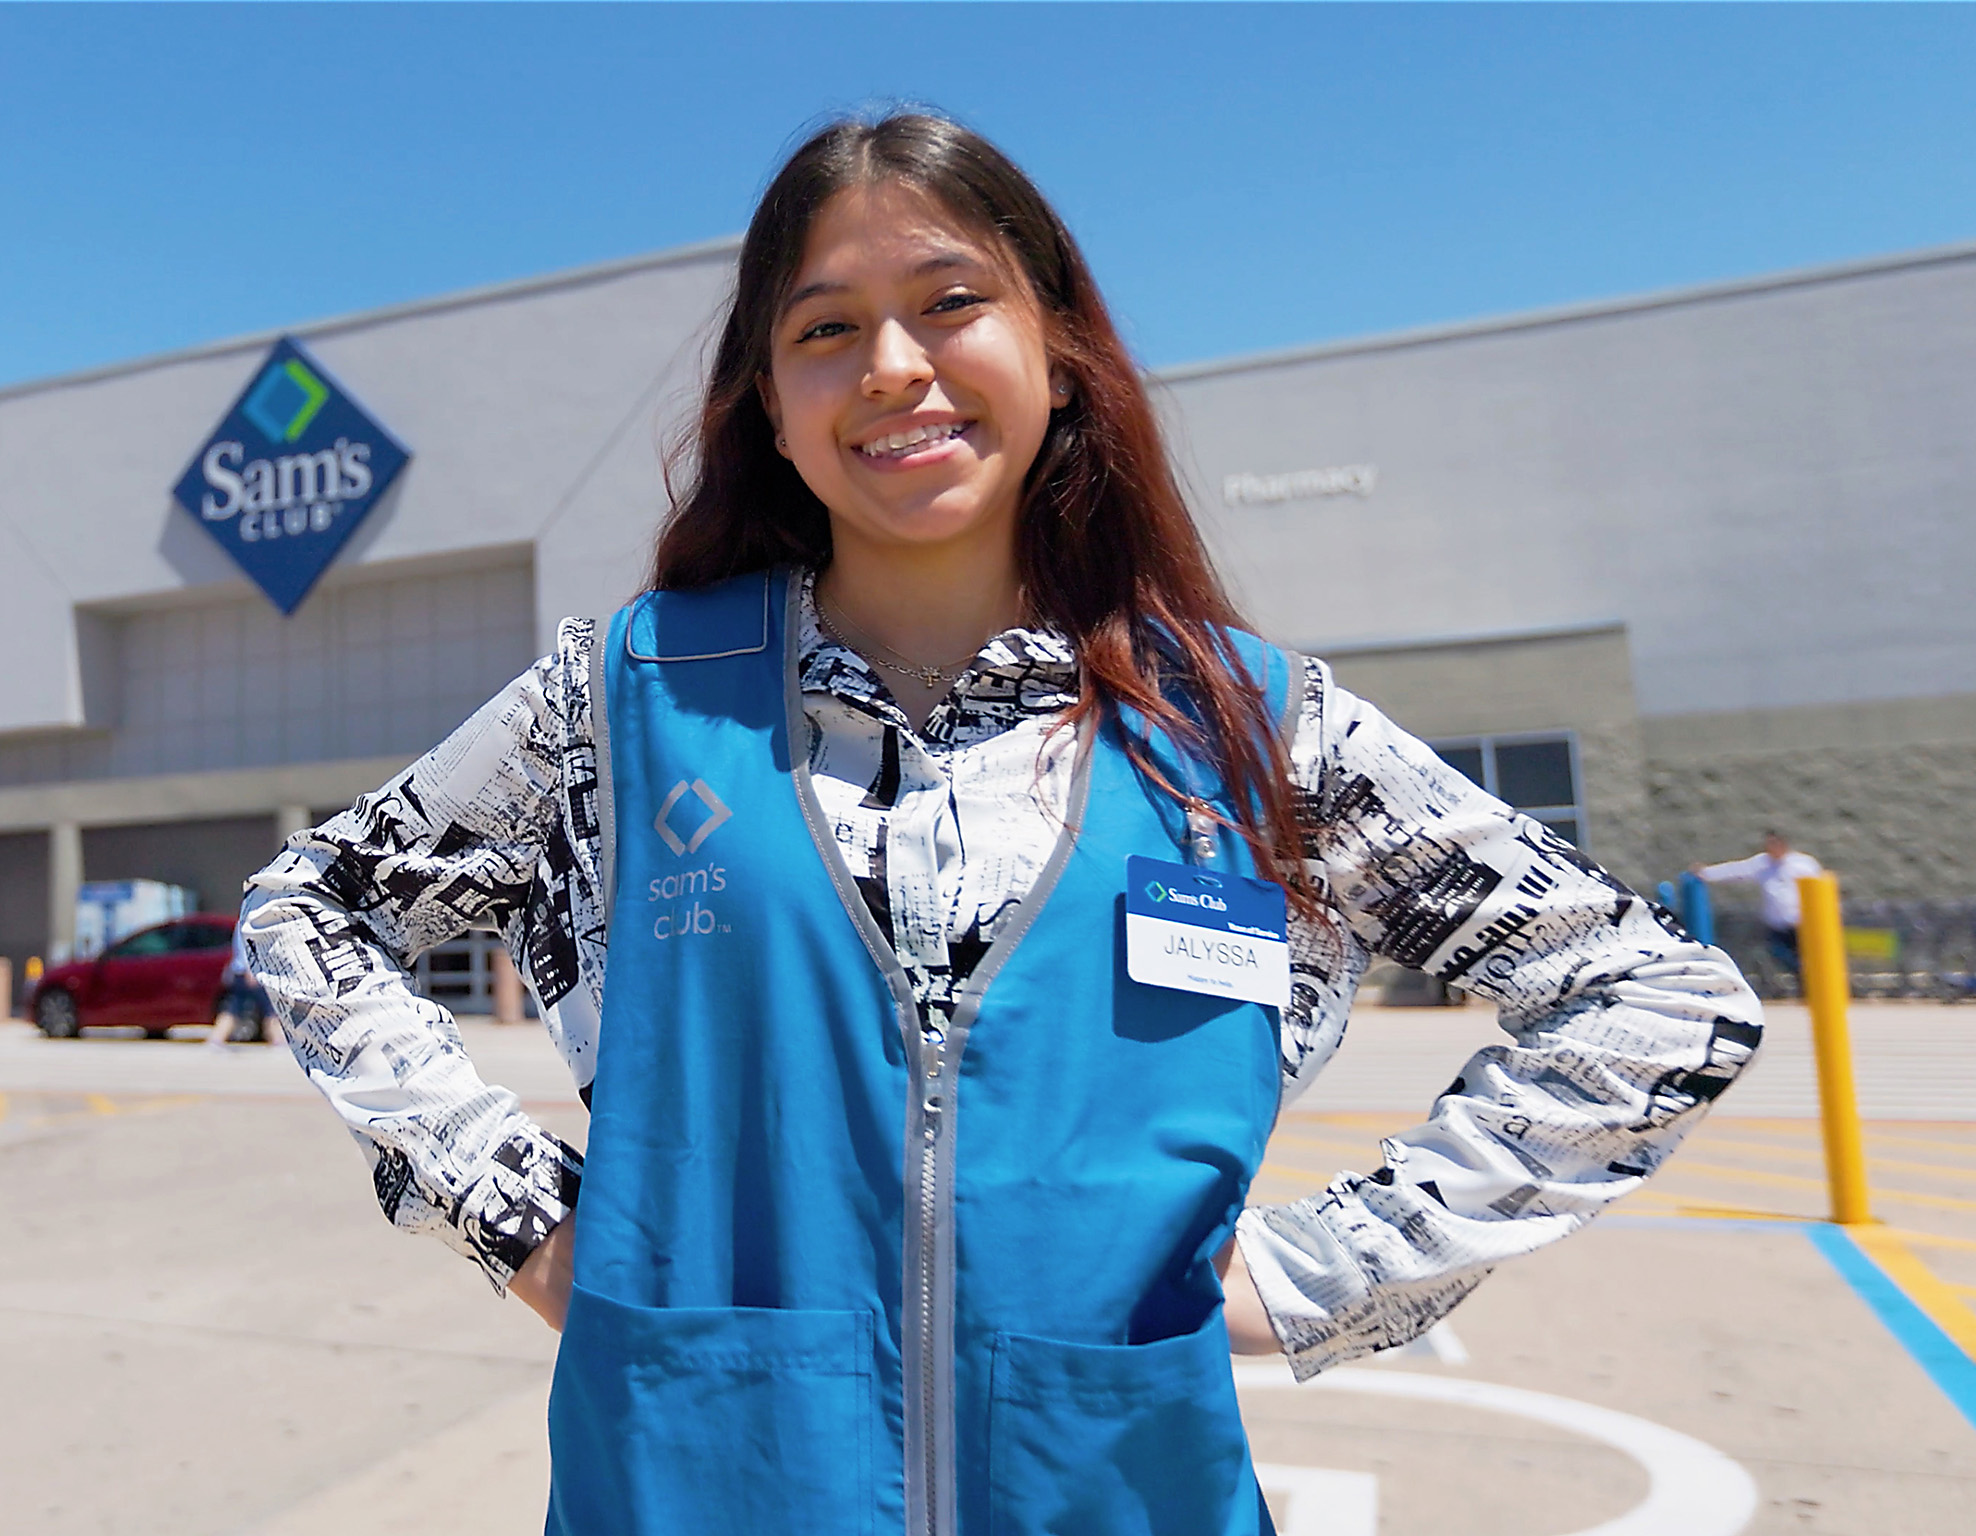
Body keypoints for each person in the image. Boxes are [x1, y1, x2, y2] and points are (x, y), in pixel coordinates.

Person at [239, 114, 1763, 1536]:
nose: (893, 365)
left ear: (1061, 354)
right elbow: (311, 913)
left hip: (1117, 1476)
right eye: (826, 329)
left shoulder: (1247, 727)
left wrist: (1325, 1277)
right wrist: (520, 1222)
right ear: (772, 408)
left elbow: (1655, 998)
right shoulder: (627, 704)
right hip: (699, 1475)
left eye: (950, 301)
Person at [1696, 830, 1823, 980]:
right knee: (1780, 953)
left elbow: (1821, 889)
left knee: (1813, 957)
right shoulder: (1762, 864)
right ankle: (1804, 978)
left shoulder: (1803, 864)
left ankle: (1812, 981)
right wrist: (1705, 873)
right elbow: (1736, 871)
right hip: (1777, 924)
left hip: (1801, 923)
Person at [206, 922, 279, 1049]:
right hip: (250, 972)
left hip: (240, 972)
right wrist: (250, 968)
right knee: (270, 1007)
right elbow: (246, 946)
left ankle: (216, 1039)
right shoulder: (249, 922)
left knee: (234, 1007)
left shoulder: (243, 921)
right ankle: (278, 1040)